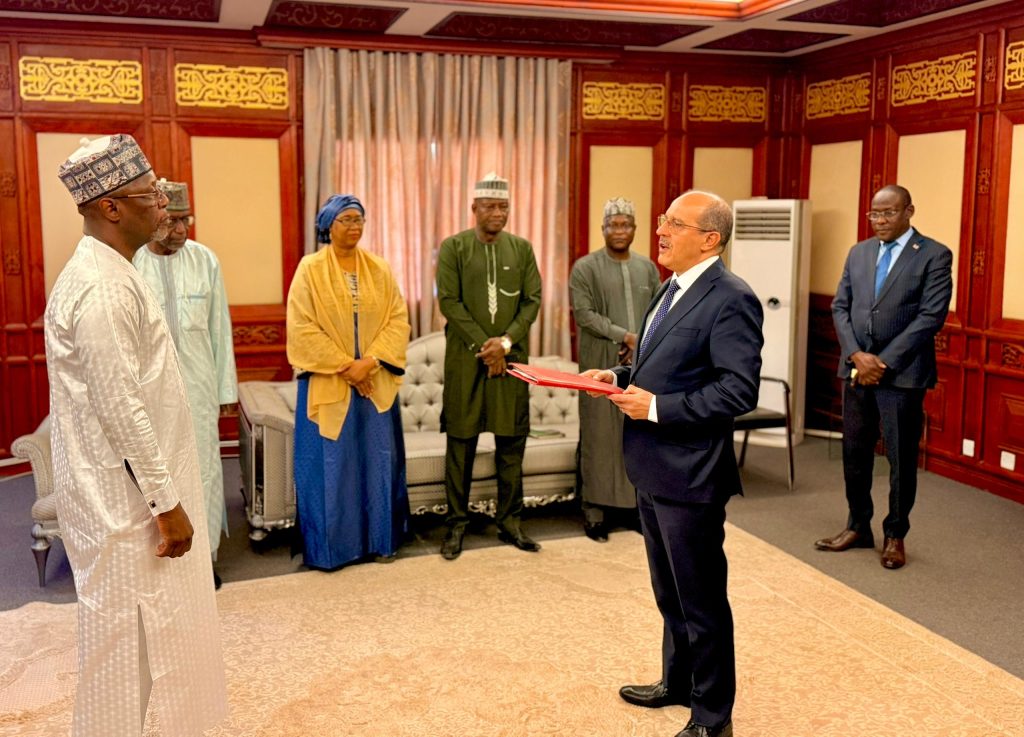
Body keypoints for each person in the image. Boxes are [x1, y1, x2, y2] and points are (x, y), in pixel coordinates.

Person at [46, 134, 227, 736]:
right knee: (120, 655)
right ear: (111, 207)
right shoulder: (100, 287)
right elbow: (120, 407)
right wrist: (166, 505)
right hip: (122, 509)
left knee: (147, 645)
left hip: (128, 499)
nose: (163, 204)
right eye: (150, 194)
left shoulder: (115, 271)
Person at [585, 190, 763, 737]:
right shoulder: (671, 286)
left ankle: (713, 718)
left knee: (701, 601)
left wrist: (658, 408)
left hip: (692, 474)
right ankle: (678, 682)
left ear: (710, 239)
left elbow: (737, 390)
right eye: (663, 220)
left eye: (674, 224)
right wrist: (617, 378)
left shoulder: (732, 298)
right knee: (670, 594)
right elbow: (659, 365)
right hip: (651, 466)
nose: (660, 230)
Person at [815, 184, 953, 570]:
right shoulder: (859, 252)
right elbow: (840, 306)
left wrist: (883, 362)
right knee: (854, 454)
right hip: (857, 370)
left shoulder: (934, 254)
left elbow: (931, 316)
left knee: (900, 458)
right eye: (874, 213)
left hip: (903, 375)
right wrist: (856, 355)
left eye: (889, 212)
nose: (879, 220)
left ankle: (895, 534)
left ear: (909, 211)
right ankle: (858, 526)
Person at [286, 194, 411, 570]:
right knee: (332, 466)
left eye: (359, 219)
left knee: (378, 462)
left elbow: (397, 319)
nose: (355, 226)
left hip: (375, 383)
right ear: (328, 226)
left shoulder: (379, 268)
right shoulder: (309, 269)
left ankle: (380, 541)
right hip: (330, 382)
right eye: (347, 220)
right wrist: (347, 368)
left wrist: (369, 363)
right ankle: (333, 551)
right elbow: (302, 328)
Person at [133, 180, 237, 588]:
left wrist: (226, 391)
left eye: (186, 221)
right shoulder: (133, 264)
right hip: (150, 393)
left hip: (200, 388)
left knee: (205, 470)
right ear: (155, 217)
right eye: (172, 221)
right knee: (157, 472)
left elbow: (219, 329)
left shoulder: (205, 260)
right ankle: (161, 559)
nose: (180, 230)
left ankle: (205, 559)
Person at [436, 172, 543, 560]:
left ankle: (510, 522)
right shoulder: (454, 248)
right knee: (460, 444)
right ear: (474, 208)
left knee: (512, 443)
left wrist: (505, 344)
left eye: (503, 207)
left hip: (510, 361)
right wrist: (486, 346)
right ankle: (456, 525)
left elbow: (532, 301)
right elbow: (449, 302)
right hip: (467, 361)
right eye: (490, 207)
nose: (498, 213)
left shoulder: (522, 249)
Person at [569, 196, 660, 541]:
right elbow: (584, 315)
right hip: (598, 362)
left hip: (641, 364)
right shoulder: (585, 268)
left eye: (625, 225)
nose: (619, 231)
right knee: (599, 436)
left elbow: (659, 312)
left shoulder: (647, 268)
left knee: (634, 435)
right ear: (603, 228)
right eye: (613, 225)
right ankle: (594, 512)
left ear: (634, 229)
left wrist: (640, 342)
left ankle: (633, 508)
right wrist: (625, 336)